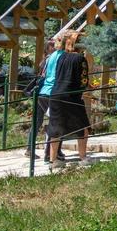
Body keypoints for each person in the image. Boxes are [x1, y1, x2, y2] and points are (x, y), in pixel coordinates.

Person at [46, 31, 90, 167]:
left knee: (56, 128)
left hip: (55, 95)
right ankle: (83, 158)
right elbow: (83, 81)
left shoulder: (61, 57)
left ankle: (54, 161)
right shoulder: (80, 59)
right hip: (71, 96)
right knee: (83, 127)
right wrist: (86, 90)